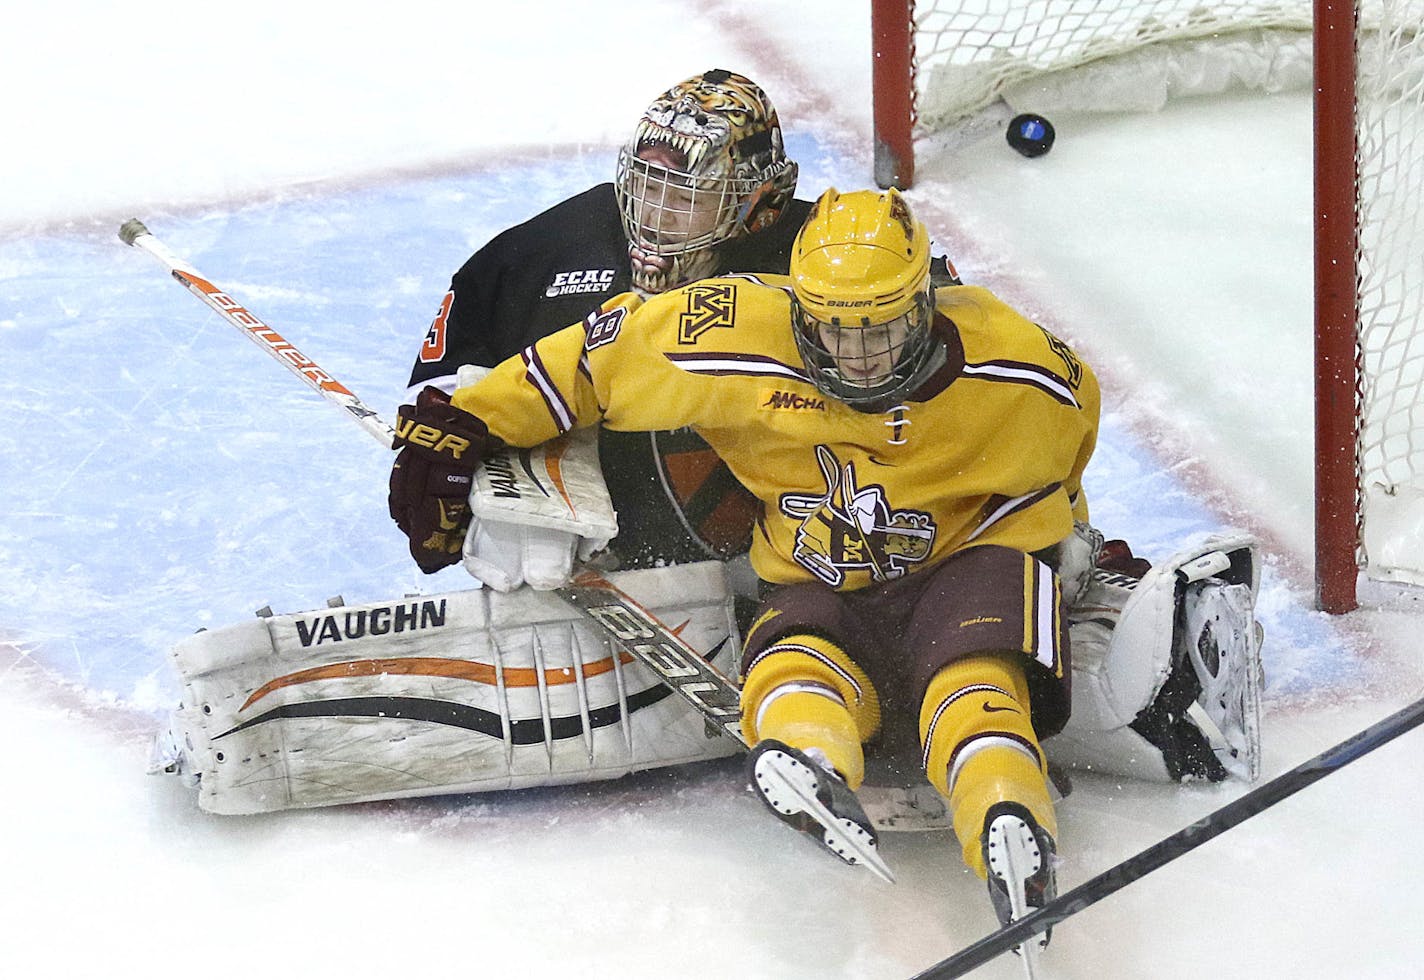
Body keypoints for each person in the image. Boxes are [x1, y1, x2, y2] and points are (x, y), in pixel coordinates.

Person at [389, 186, 1102, 931]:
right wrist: (466, 423)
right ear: (797, 305)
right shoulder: (733, 329)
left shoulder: (1024, 367)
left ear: (927, 304)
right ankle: (807, 759)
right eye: (832, 331)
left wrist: (1083, 547)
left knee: (978, 680)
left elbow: (1066, 465)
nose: (855, 358)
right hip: (818, 576)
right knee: (793, 666)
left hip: (968, 565)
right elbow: (594, 360)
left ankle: (1007, 813)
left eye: (881, 331)